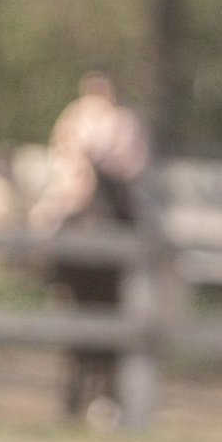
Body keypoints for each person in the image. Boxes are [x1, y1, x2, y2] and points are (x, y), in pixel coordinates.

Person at [30, 72, 152, 422]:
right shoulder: (75, 115)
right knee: (47, 219)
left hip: (115, 188)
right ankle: (44, 270)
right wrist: (80, 167)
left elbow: (134, 160)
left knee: (142, 223)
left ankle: (145, 270)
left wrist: (108, 168)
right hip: (75, 186)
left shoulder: (124, 122)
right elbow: (62, 150)